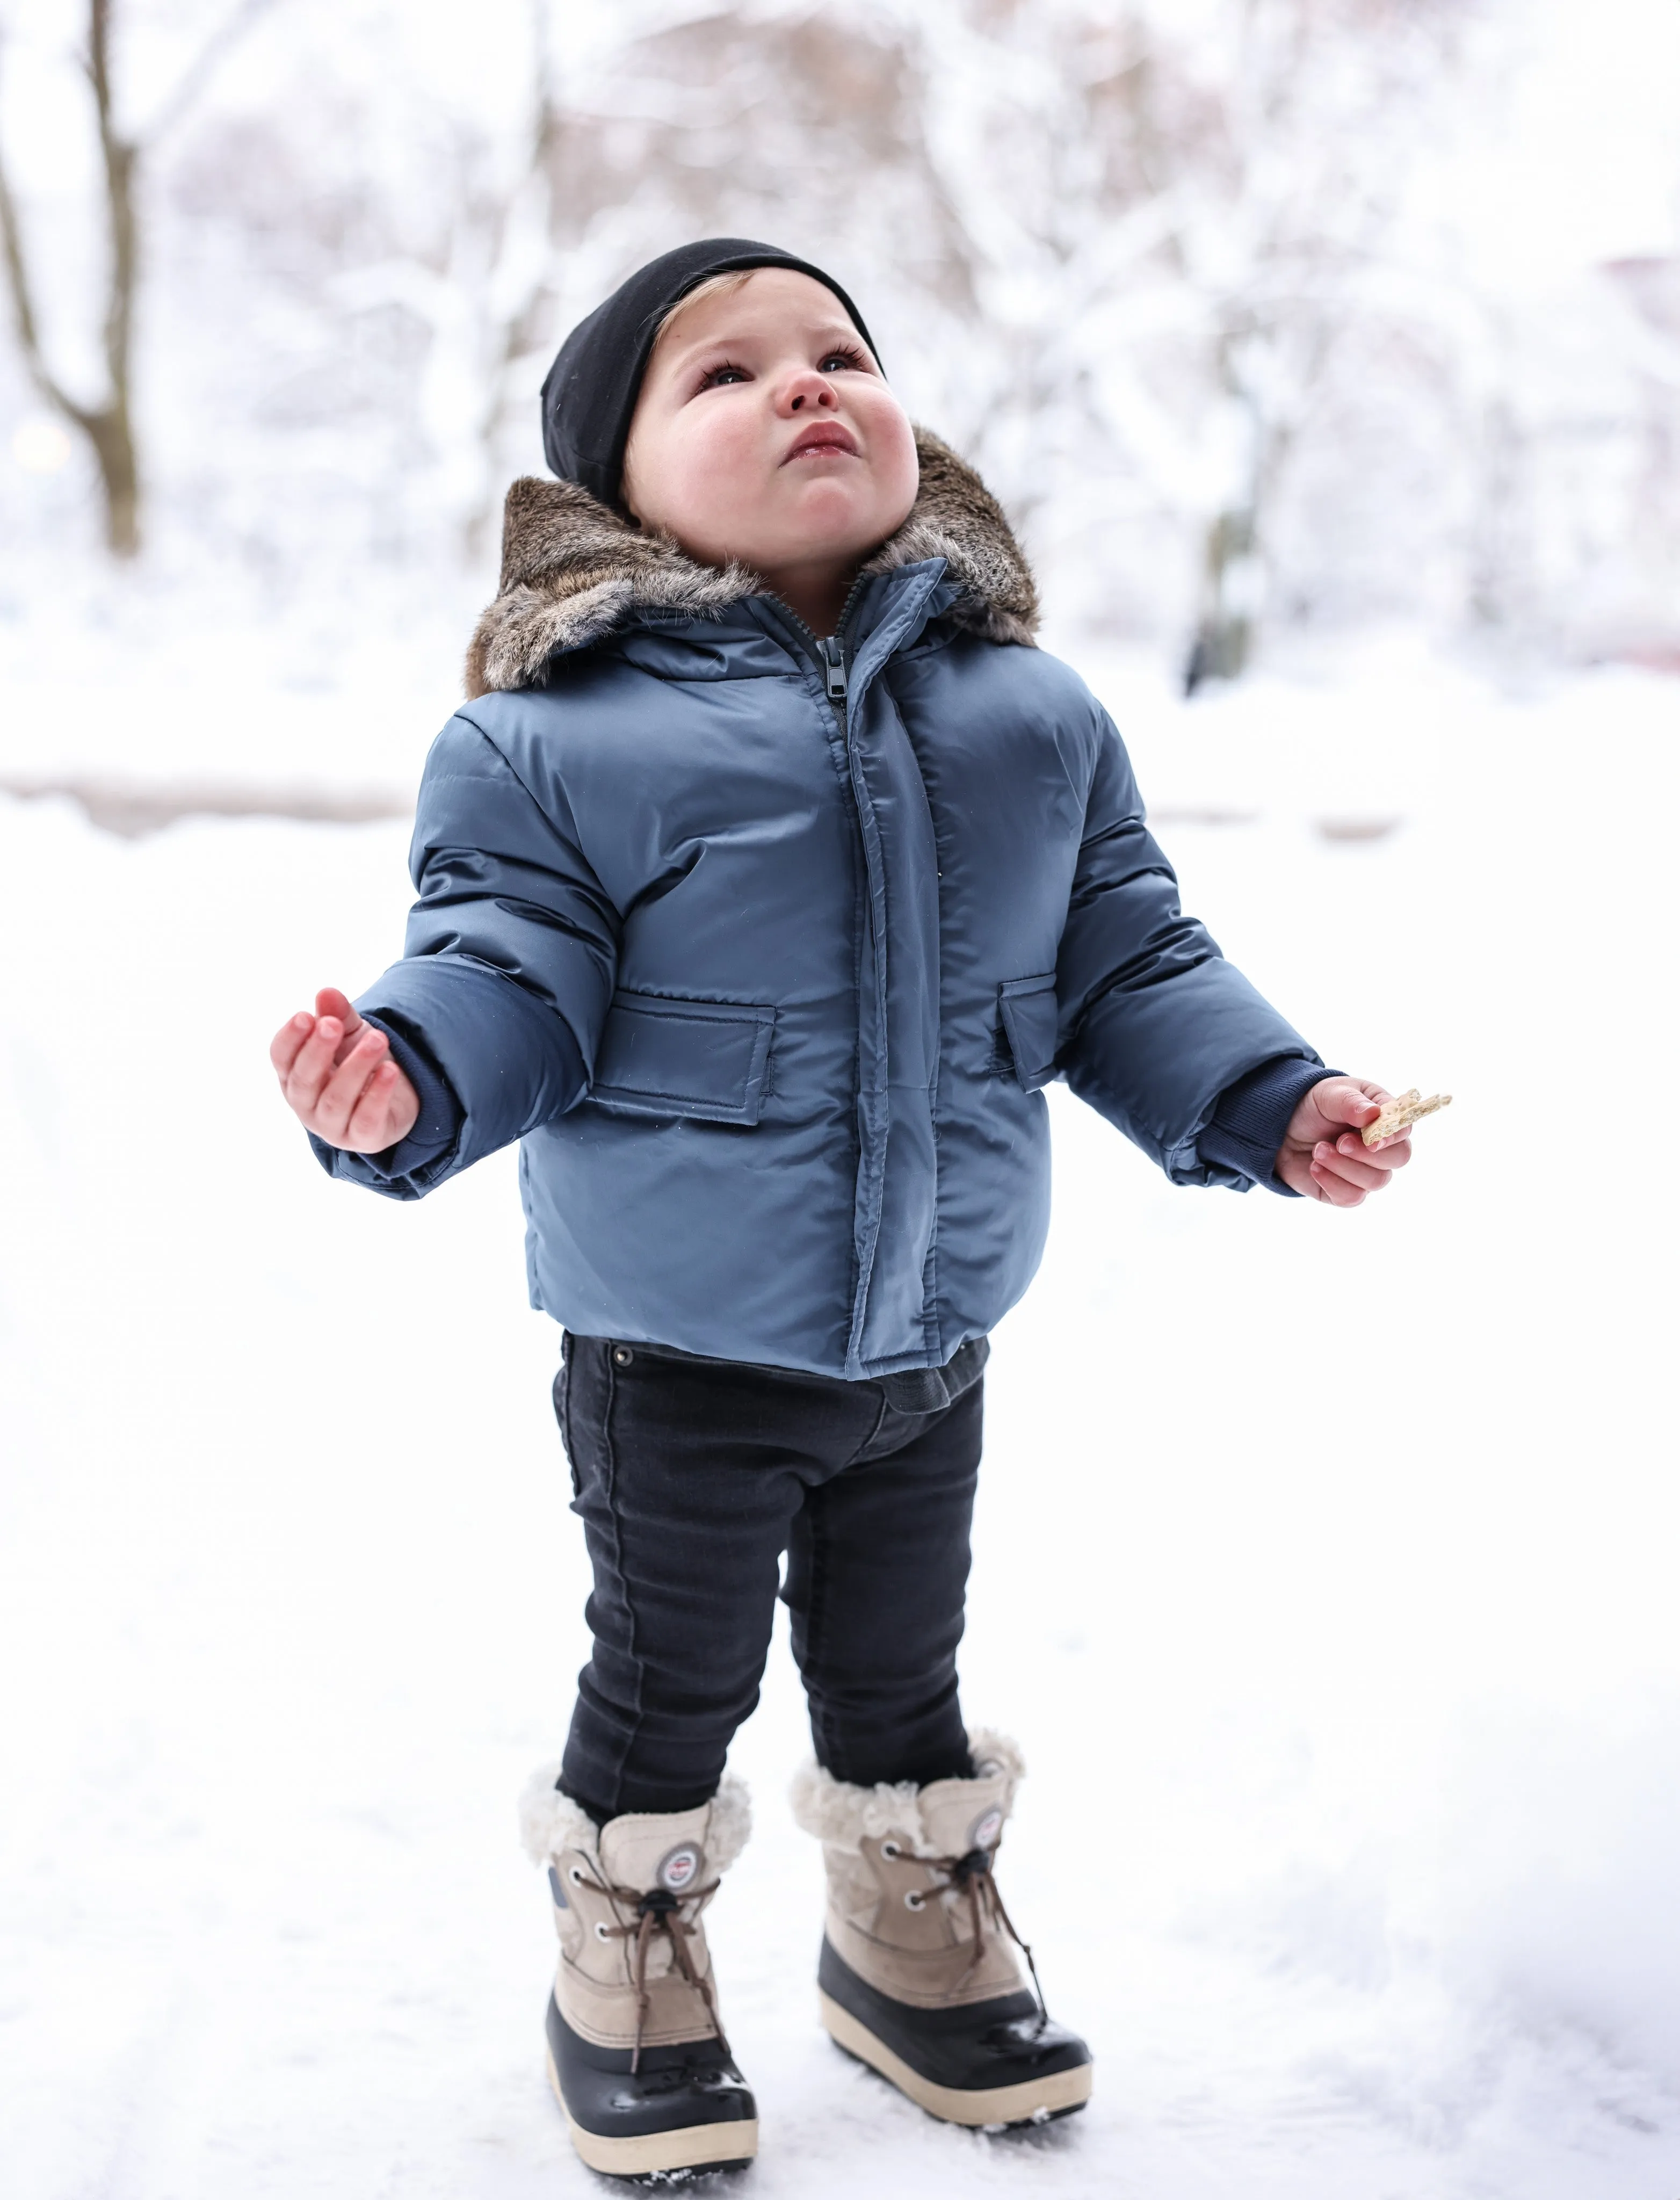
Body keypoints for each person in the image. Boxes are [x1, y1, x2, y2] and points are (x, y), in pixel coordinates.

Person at [269, 240, 1415, 2181]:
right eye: (722, 377)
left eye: (840, 354)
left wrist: (1263, 1096)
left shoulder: (1028, 719)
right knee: (672, 1673)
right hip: (675, 1347)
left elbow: (1129, 957)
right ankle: (627, 1948)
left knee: (903, 1666)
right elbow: (505, 964)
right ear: (614, 488)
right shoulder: (551, 741)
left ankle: (904, 1929)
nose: (806, 387)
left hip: (932, 1335)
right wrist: (413, 1074)